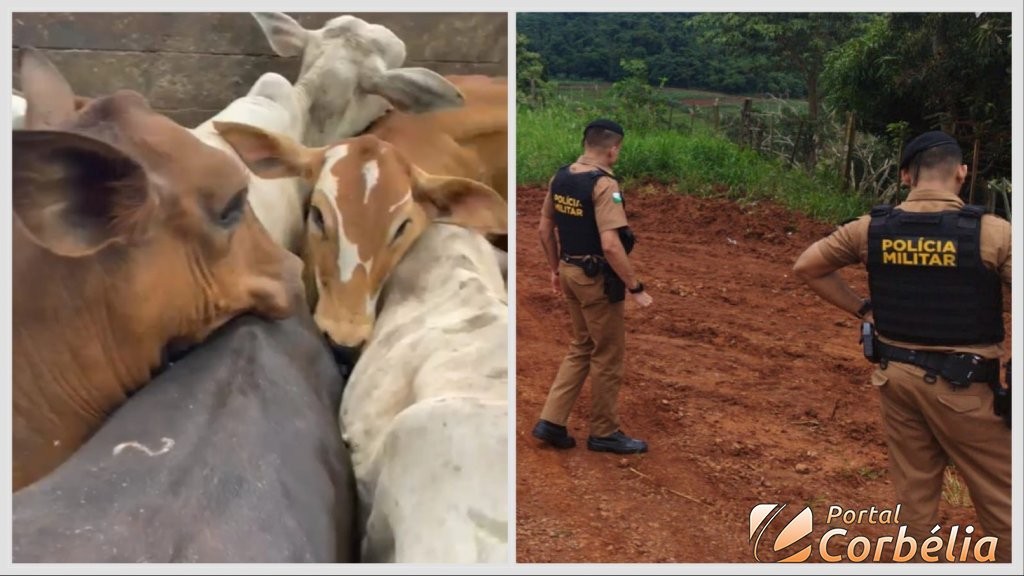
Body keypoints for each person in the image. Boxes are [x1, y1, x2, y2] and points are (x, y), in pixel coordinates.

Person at [793, 130, 1012, 563]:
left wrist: (863, 309)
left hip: (896, 380)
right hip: (968, 391)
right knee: (1005, 500)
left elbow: (807, 265)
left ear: (906, 176)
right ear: (962, 174)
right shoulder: (992, 233)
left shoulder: (870, 229)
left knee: (915, 499)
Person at [531, 118, 654, 455]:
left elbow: (544, 229)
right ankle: (604, 431)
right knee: (608, 354)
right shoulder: (604, 186)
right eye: (618, 149)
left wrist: (555, 269)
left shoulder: (561, 177)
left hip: (569, 270)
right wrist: (635, 286)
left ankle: (552, 421)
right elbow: (612, 245)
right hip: (596, 280)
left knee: (581, 345)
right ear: (613, 149)